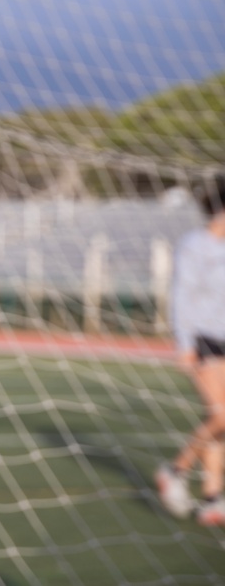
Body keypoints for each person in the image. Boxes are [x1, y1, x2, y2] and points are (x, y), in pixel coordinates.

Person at [156, 175, 225, 526]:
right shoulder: (195, 245)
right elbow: (182, 296)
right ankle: (175, 470)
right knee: (222, 415)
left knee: (218, 419)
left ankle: (213, 499)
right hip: (201, 339)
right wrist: (184, 344)